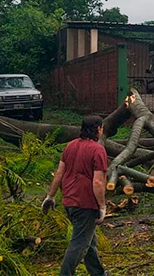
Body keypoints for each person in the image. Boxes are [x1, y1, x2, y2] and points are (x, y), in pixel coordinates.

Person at [42, 116, 108, 276]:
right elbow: (98, 182)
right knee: (79, 244)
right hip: (85, 203)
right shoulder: (98, 150)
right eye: (102, 128)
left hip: (69, 201)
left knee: (88, 240)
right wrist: (102, 206)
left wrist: (50, 196)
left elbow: (59, 173)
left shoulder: (70, 146)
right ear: (98, 129)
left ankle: (98, 273)